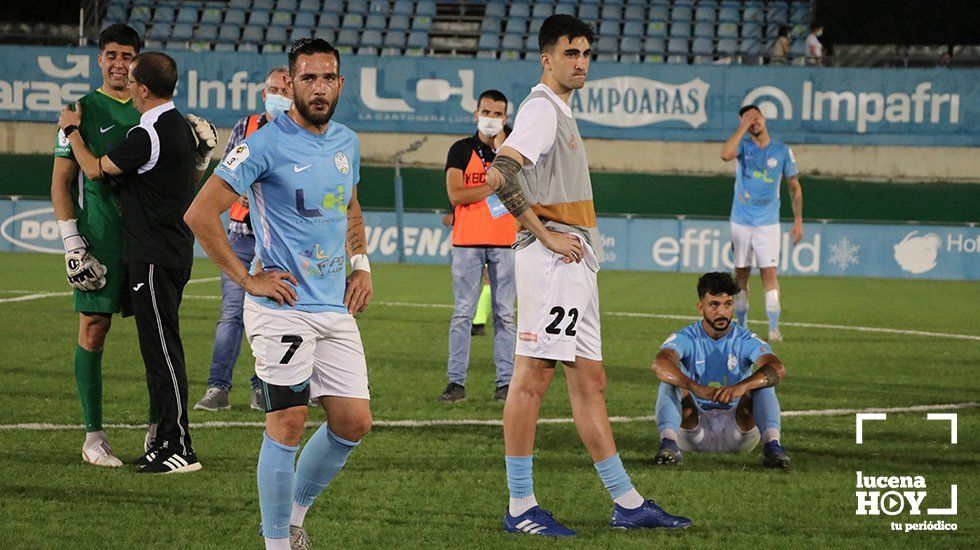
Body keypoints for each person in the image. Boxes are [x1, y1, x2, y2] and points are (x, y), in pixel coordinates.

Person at [484, 14, 691, 536]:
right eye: (569, 53)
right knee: (533, 378)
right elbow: (499, 172)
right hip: (553, 261)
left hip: (574, 264)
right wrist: (546, 234)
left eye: (585, 53)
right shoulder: (541, 109)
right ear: (546, 58)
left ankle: (627, 502)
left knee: (590, 382)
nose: (580, 62)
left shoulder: (559, 111)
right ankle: (519, 506)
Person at [184, 38, 372, 550]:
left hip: (334, 306)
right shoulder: (262, 144)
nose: (318, 87)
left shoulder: (347, 142)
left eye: (327, 77)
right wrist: (247, 280)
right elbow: (200, 213)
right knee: (288, 422)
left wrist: (361, 264)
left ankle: (292, 517)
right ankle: (276, 544)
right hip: (281, 307)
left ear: (340, 83)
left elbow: (351, 206)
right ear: (290, 83)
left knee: (353, 423)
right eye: (307, 78)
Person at [58, 51, 217, 474]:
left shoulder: (148, 134)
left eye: (131, 79)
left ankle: (179, 446)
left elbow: (92, 171)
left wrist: (72, 132)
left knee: (163, 352)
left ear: (143, 89)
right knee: (159, 350)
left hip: (154, 255)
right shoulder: (178, 126)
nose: (126, 85)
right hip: (168, 253)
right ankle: (165, 441)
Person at [51, 23, 147, 468]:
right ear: (99, 59)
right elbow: (62, 184)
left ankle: (161, 432)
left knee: (156, 333)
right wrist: (72, 242)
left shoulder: (154, 109)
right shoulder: (79, 111)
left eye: (127, 56)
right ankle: (93, 438)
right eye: (111, 55)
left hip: (148, 240)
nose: (119, 64)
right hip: (102, 239)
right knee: (93, 328)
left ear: (138, 61)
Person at [194, 65, 293, 413]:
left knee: (273, 318)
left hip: (279, 244)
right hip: (243, 236)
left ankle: (261, 387)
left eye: (285, 89)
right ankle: (217, 388)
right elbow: (227, 178)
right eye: (274, 89)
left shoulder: (299, 133)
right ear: (264, 94)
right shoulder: (245, 127)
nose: (279, 95)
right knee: (232, 315)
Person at [651, 272, 790, 468]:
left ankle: (773, 447)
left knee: (764, 380)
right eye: (714, 305)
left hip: (738, 430)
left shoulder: (745, 339)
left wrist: (741, 387)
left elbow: (778, 368)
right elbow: (659, 363)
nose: (722, 312)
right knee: (669, 380)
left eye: (727, 304)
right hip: (693, 428)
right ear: (701, 308)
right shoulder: (687, 337)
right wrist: (695, 387)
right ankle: (668, 445)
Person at [439, 89, 516, 404]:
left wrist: (502, 154)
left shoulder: (514, 148)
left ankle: (506, 384)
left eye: (497, 114)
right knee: (462, 314)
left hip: (507, 241)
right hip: (468, 241)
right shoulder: (460, 149)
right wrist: (495, 183)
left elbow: (525, 188)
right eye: (487, 112)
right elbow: (456, 195)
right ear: (476, 114)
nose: (491, 118)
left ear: (506, 118)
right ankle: (456, 383)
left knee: (505, 315)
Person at [720, 104, 803, 342]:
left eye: (756, 117)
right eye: (747, 119)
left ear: (764, 118)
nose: (753, 122)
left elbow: (794, 186)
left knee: (769, 274)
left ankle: (774, 328)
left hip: (768, 223)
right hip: (741, 221)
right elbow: (725, 155)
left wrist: (798, 220)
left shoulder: (782, 150)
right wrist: (743, 126)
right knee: (741, 275)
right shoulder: (743, 147)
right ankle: (742, 326)